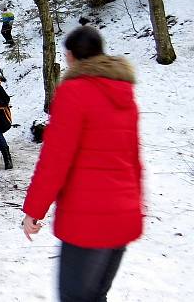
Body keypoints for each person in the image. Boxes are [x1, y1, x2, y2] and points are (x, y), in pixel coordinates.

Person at [22, 26, 142, 302]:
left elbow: (54, 161)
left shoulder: (74, 92)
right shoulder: (125, 95)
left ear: (71, 57)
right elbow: (134, 160)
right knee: (96, 296)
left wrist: (33, 210)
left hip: (87, 219)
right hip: (122, 216)